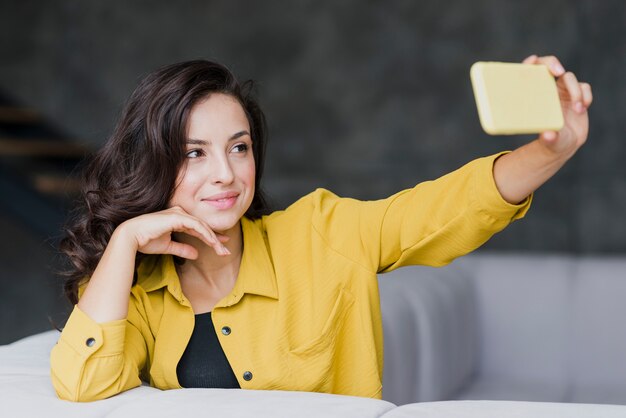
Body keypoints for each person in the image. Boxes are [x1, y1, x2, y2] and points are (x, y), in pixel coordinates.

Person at [50, 55, 592, 402]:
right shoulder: (135, 291)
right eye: (194, 153)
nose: (226, 173)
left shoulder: (322, 231)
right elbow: (83, 383)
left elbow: (446, 208)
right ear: (155, 165)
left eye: (239, 147)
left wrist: (552, 150)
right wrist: (123, 243)